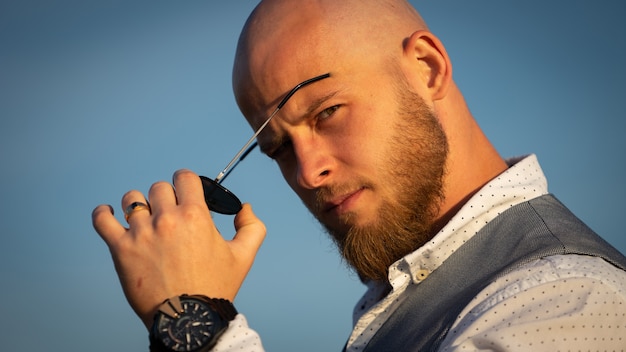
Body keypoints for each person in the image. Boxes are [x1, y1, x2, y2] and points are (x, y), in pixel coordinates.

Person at [92, 0, 626, 351]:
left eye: (327, 113)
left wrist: (196, 323)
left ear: (427, 68)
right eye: (277, 147)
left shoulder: (566, 299)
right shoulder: (407, 296)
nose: (308, 171)